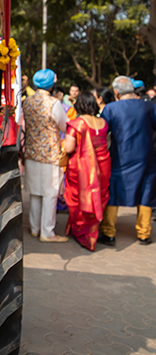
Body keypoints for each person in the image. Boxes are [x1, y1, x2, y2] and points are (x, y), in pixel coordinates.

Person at [98, 76, 156, 245]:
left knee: (114, 192)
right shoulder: (148, 107)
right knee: (146, 192)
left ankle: (109, 233)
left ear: (116, 92)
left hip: (120, 157)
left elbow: (102, 131)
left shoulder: (111, 108)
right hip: (146, 157)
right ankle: (144, 234)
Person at [22, 68, 69, 243]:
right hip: (50, 153)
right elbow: (64, 126)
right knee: (50, 193)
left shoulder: (28, 102)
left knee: (35, 192)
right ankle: (47, 232)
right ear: (51, 84)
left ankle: (35, 228)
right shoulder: (54, 103)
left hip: (32, 152)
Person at [62, 91, 110, 251]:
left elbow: (69, 147)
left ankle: (82, 233)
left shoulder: (78, 123)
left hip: (82, 167)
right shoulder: (103, 122)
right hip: (102, 165)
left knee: (79, 198)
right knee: (98, 196)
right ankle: (91, 233)